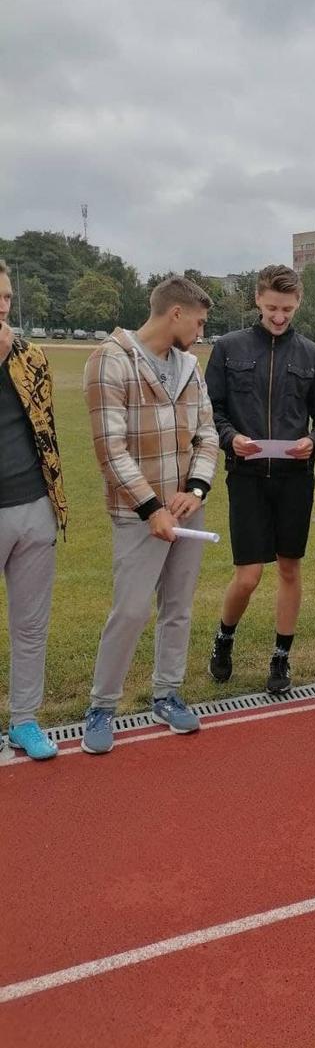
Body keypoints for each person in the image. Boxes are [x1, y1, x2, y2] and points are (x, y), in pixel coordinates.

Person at [81, 276, 219, 755]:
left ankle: (167, 693)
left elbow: (208, 434)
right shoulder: (110, 360)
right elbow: (110, 450)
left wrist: (197, 489)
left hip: (185, 511)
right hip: (140, 516)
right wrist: (151, 508)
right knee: (133, 610)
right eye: (199, 322)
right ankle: (101, 705)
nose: (201, 332)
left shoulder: (189, 366)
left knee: (178, 608)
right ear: (175, 314)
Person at [205, 265, 315, 694]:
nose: (279, 316)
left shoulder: (313, 356)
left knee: (289, 568)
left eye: (288, 308)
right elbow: (211, 412)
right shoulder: (227, 348)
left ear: (298, 303)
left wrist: (313, 442)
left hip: (294, 478)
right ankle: (224, 639)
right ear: (257, 300)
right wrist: (231, 438)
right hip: (245, 477)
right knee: (247, 576)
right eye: (272, 307)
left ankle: (282, 656)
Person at [0, 258, 67, 760]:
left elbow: (44, 431)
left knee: (30, 624)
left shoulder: (31, 356)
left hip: (33, 505)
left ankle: (25, 720)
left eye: (5, 298)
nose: (2, 308)